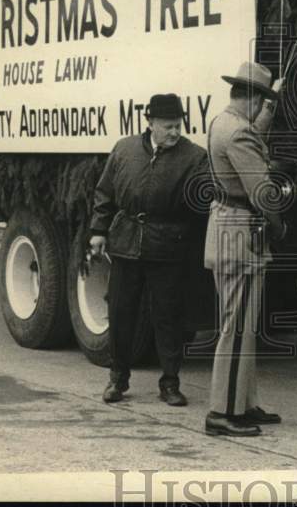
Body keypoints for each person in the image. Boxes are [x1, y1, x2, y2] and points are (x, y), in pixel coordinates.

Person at [89, 93, 210, 406]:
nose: (174, 132)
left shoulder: (194, 157)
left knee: (168, 316)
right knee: (120, 312)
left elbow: (200, 206)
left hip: (168, 247)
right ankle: (117, 379)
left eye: (178, 126)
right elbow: (105, 192)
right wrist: (98, 231)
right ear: (151, 123)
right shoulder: (124, 149)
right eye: (168, 126)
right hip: (126, 243)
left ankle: (170, 383)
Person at [202, 61, 286, 437]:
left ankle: (242, 403)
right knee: (236, 327)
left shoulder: (224, 123)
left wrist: (270, 107)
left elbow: (251, 136)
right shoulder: (239, 134)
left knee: (243, 325)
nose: (261, 107)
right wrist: (279, 223)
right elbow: (263, 191)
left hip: (227, 224)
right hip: (242, 231)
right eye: (262, 99)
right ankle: (222, 411)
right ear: (251, 98)